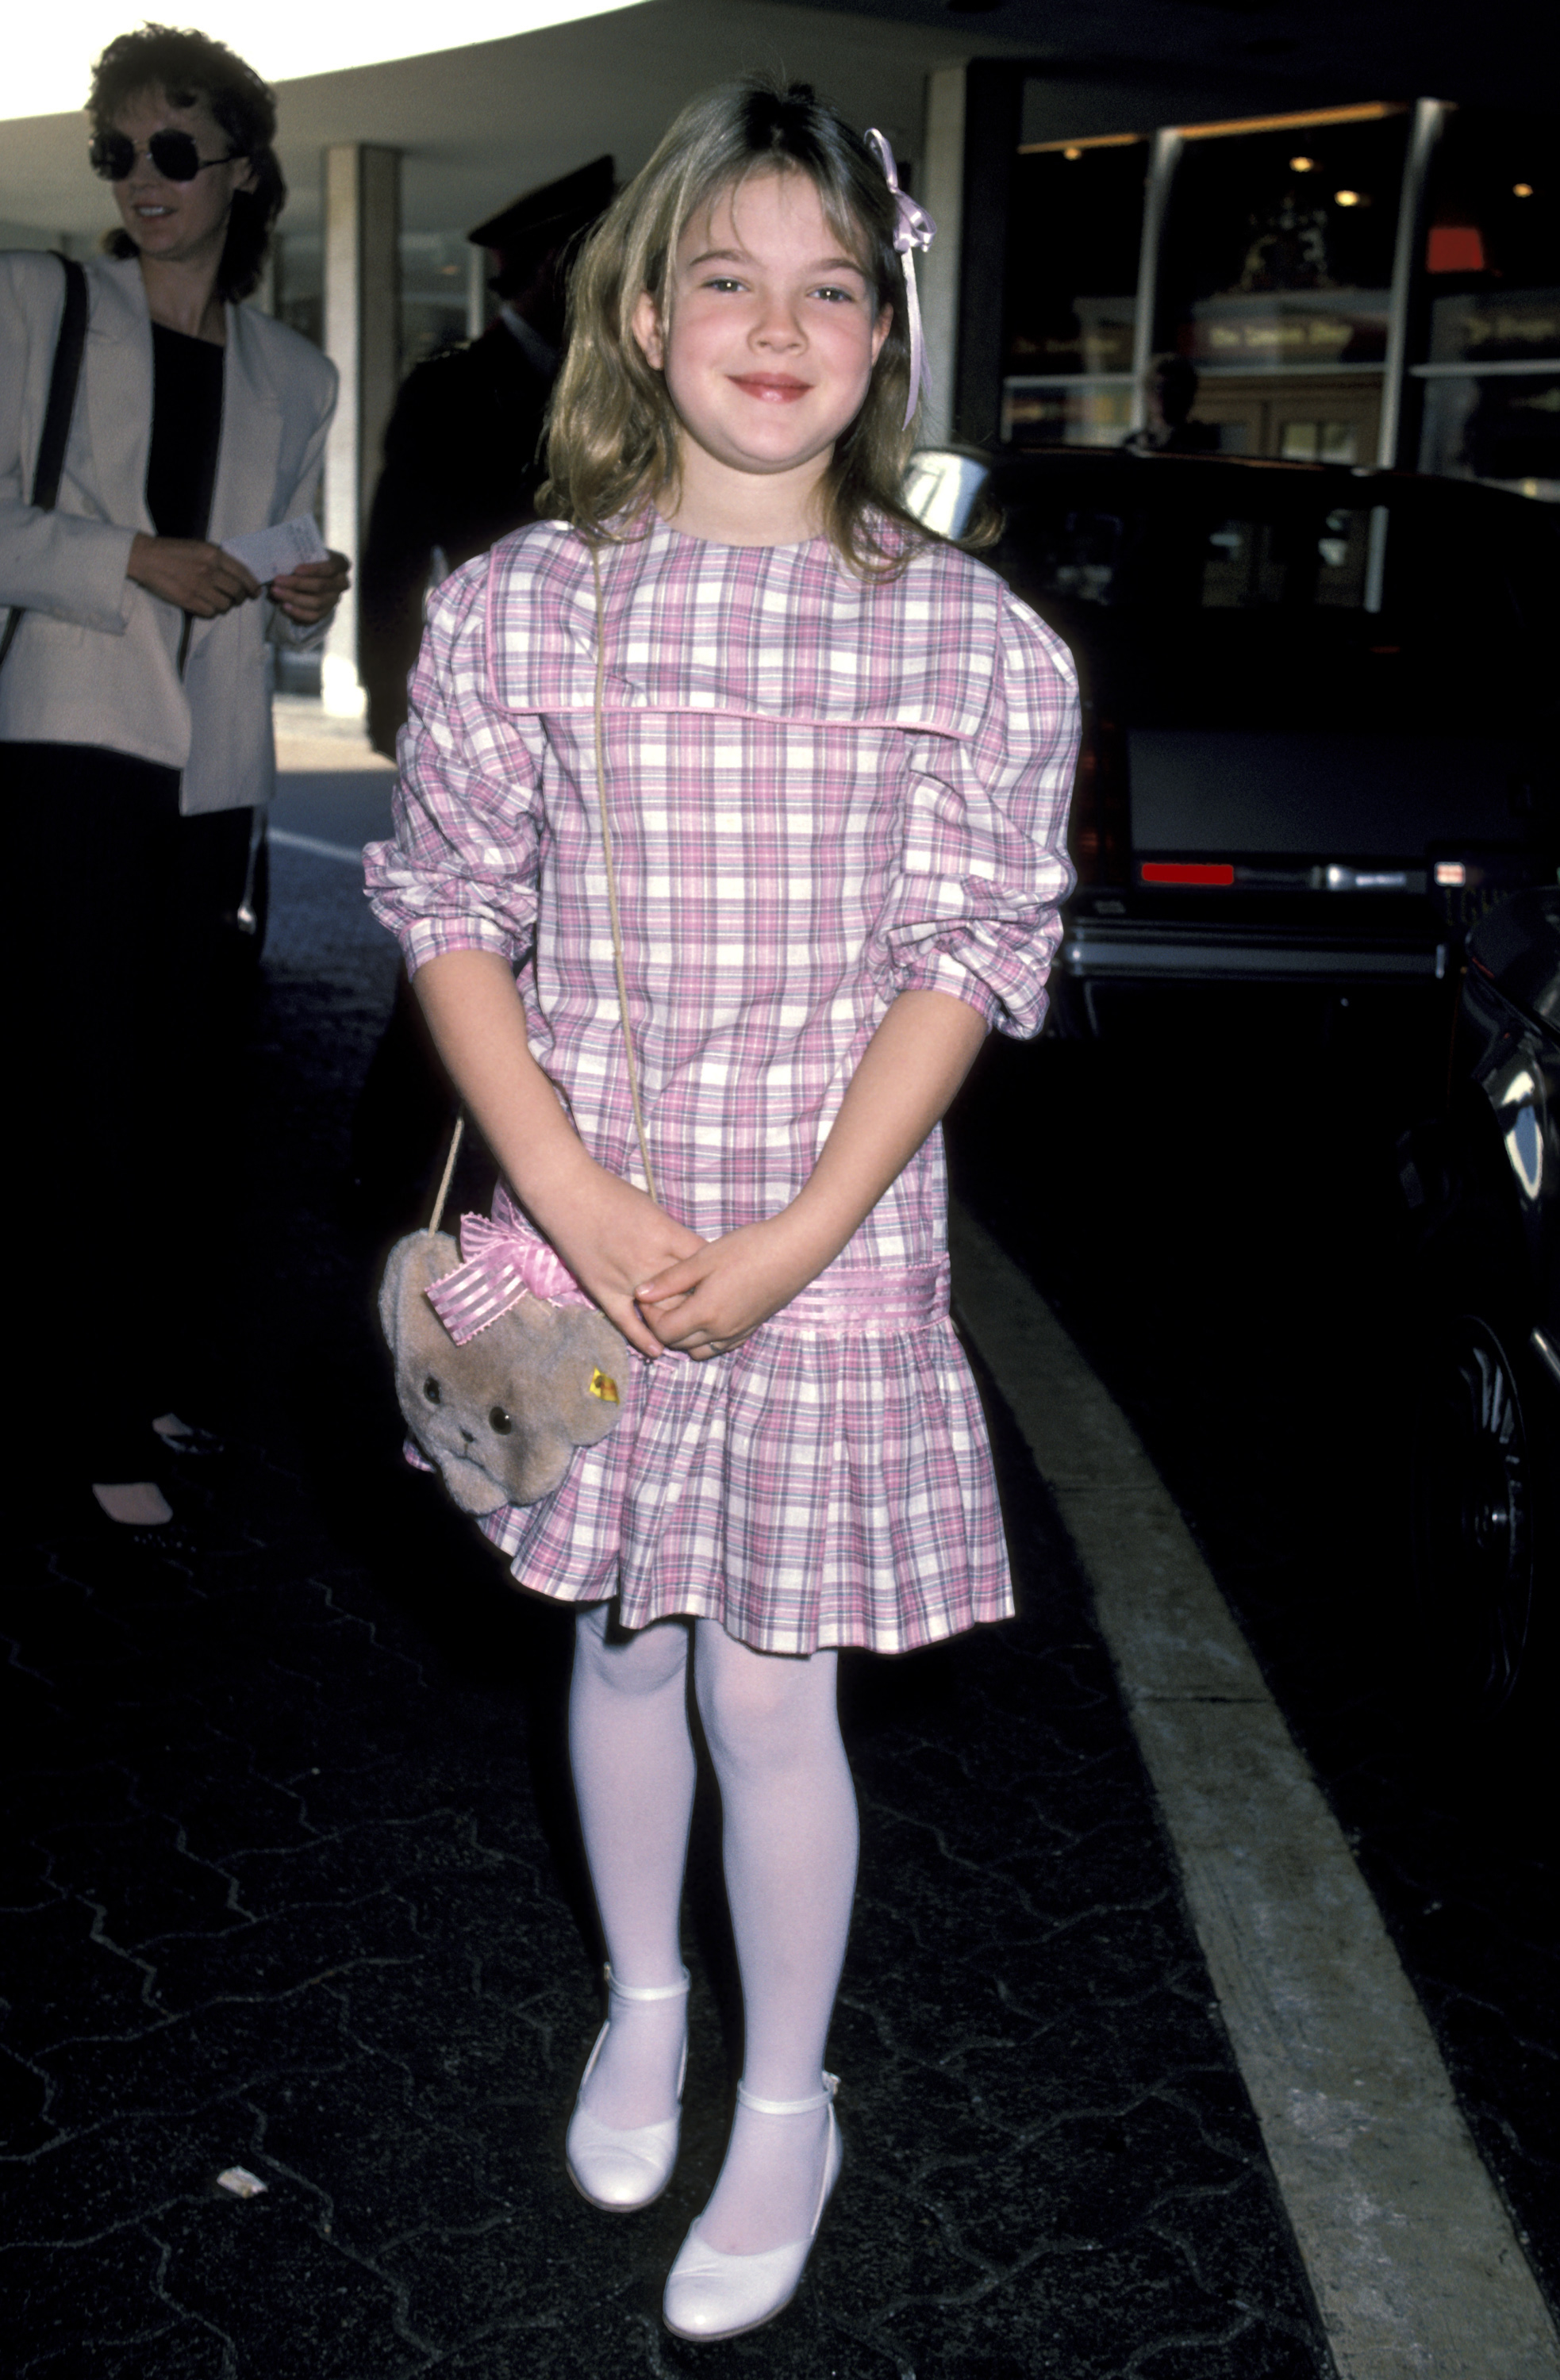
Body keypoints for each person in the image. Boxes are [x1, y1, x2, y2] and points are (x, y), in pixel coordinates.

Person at [364, 79, 1077, 2342]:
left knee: (773, 1694)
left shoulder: (973, 646)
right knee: (619, 1636)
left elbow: (966, 957)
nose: (776, 330)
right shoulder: (519, 609)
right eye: (727, 282)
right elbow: (448, 905)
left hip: (825, 1246)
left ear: (880, 337)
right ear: (645, 315)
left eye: (828, 291)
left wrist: (785, 1242)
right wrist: (566, 1189)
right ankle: (645, 2003)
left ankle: (787, 2099)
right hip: (583, 1223)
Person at [0, 25, 348, 1544]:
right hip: (65, 737)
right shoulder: (37, 306)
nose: (145, 180)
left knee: (183, 1081)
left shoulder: (296, 370)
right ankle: (82, 1408)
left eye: (175, 150)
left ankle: (132, 1376)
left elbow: (274, 540)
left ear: (240, 170)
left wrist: (303, 591)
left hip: (213, 768)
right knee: (80, 1082)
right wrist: (117, 557)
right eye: (121, 153)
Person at [358, 155, 614, 758]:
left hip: (611, 701)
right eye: (598, 262)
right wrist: (394, 703)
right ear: (555, 267)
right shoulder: (450, 391)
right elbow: (396, 563)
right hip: (494, 702)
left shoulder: (620, 385)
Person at [1120, 352, 1219, 453]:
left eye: (1171, 388)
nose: (1161, 394)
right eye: (1157, 387)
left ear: (1186, 393)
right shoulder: (1133, 443)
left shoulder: (1202, 439)